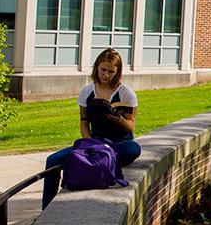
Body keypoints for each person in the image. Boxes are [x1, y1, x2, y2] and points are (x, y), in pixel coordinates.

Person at [42, 49, 141, 208]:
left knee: (133, 149)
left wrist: (117, 118)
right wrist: (90, 143)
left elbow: (131, 125)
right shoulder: (87, 91)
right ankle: (46, 207)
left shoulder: (126, 93)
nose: (106, 75)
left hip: (120, 142)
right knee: (52, 160)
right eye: (103, 70)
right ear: (97, 68)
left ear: (117, 72)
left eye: (111, 72)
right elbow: (83, 122)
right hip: (95, 141)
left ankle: (105, 158)